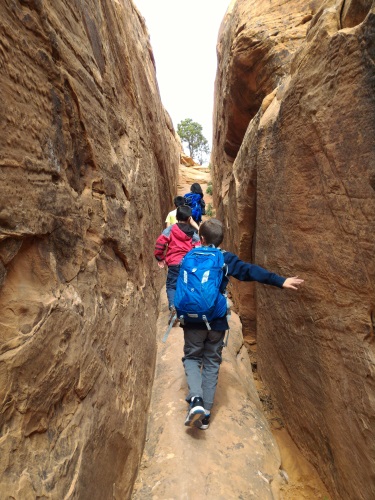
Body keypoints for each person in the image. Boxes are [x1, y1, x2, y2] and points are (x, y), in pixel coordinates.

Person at [181, 218, 304, 430]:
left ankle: (196, 400)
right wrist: (280, 281)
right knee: (211, 361)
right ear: (222, 239)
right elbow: (249, 271)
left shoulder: (189, 256)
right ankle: (205, 415)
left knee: (192, 357)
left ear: (201, 238)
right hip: (216, 321)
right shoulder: (224, 258)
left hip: (192, 320)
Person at [154, 205, 200, 320]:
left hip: (174, 263)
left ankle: (173, 306)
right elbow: (198, 247)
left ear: (176, 217)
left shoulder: (170, 229)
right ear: (189, 219)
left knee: (171, 286)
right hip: (188, 264)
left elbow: (160, 243)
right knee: (188, 284)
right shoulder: (193, 233)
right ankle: (188, 309)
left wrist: (160, 258)